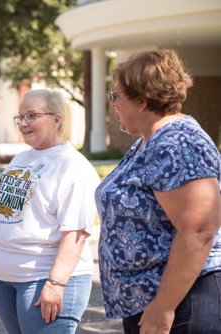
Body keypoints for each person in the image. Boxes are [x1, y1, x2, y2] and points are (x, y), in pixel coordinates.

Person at [96, 49, 221, 334]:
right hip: (155, 303)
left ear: (141, 101)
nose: (112, 104)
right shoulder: (151, 140)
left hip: (183, 302)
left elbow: (199, 229)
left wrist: (163, 306)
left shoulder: (179, 143)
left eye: (116, 96)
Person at [0, 89, 100, 334]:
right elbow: (3, 215)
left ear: (57, 119)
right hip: (5, 278)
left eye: (32, 116)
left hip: (43, 278)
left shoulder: (73, 166)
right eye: (20, 117)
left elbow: (75, 233)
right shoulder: (20, 159)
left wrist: (55, 284)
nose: (23, 124)